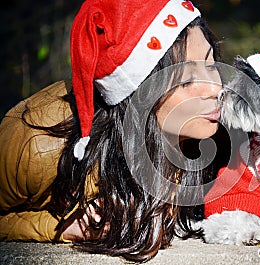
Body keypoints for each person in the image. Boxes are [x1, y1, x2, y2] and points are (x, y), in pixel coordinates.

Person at [0, 0, 222, 262]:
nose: (215, 88)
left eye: (210, 65)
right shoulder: (38, 144)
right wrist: (60, 227)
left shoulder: (213, 131)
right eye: (186, 81)